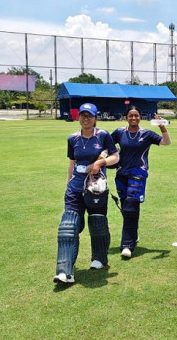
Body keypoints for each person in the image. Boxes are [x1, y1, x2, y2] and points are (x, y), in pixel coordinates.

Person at [54, 103, 119, 285]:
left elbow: (115, 156)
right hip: (75, 188)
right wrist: (68, 182)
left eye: (90, 116)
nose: (86, 119)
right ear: (79, 117)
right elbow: (72, 162)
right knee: (68, 227)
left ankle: (99, 258)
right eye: (83, 115)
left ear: (95, 118)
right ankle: (64, 271)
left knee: (98, 223)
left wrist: (100, 163)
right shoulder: (72, 138)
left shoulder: (103, 135)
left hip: (96, 188)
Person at [110, 106, 171, 259]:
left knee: (131, 206)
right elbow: (108, 146)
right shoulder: (119, 132)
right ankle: (133, 235)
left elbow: (166, 142)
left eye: (136, 115)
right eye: (130, 116)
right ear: (126, 117)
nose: (133, 118)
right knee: (126, 207)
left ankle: (127, 245)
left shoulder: (147, 134)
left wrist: (162, 127)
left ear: (140, 117)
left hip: (138, 173)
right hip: (121, 173)